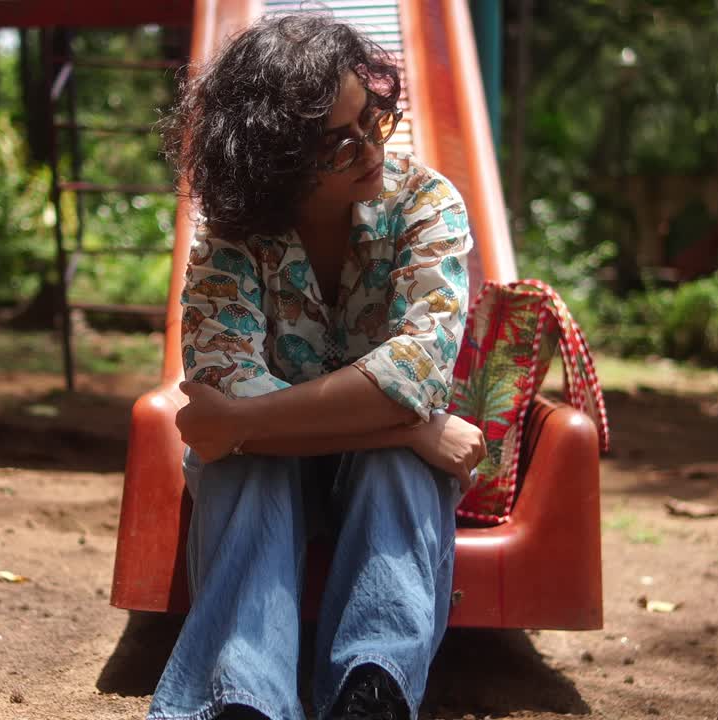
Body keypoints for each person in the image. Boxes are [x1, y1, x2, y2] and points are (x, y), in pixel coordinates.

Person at [151, 13, 486, 720]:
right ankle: (243, 701)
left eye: (373, 118)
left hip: (339, 459)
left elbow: (411, 374)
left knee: (392, 469)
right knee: (250, 468)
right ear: (278, 158)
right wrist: (409, 427)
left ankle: (374, 690)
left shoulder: (428, 205)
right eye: (337, 142)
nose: (367, 147)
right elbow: (224, 387)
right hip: (274, 467)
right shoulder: (232, 240)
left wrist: (246, 422)